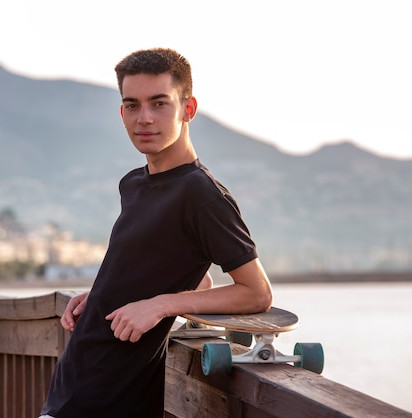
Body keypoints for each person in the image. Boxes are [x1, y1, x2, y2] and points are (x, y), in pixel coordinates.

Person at [39, 48, 273, 418]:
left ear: (188, 109)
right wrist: (105, 293)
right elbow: (195, 279)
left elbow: (256, 293)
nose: (144, 118)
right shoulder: (133, 184)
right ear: (121, 113)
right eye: (132, 105)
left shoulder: (203, 195)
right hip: (71, 388)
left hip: (114, 400)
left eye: (159, 103)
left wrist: (160, 305)